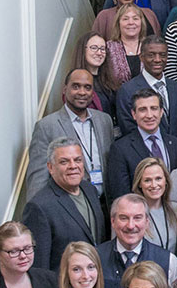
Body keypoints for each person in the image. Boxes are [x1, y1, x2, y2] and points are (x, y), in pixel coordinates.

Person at [25, 68, 115, 201]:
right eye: (76, 86)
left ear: (93, 93)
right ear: (65, 89)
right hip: (69, 205)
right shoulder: (46, 126)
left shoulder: (105, 121)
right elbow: (37, 181)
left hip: (104, 204)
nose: (82, 92)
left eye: (87, 87)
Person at [23, 139, 108, 273]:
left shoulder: (89, 189)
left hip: (94, 277)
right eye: (64, 162)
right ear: (50, 167)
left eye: (78, 160)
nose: (73, 166)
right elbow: (39, 267)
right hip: (63, 283)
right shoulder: (39, 207)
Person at [94, 194, 177, 288]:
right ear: (113, 221)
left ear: (147, 222)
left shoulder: (168, 262)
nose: (130, 225)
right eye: (124, 218)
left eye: (137, 218)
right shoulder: (94, 259)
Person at [106, 88, 177, 203]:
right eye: (143, 110)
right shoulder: (120, 149)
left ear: (161, 112)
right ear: (134, 114)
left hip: (174, 210)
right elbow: (121, 195)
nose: (149, 115)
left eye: (154, 108)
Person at [116, 35, 177, 140]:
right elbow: (129, 129)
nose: (157, 59)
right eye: (151, 55)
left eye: (162, 55)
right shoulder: (127, 90)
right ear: (141, 57)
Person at [132, 157, 177, 252]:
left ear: (166, 181)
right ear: (139, 184)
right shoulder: (131, 214)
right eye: (147, 180)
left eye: (158, 178)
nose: (154, 185)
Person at [73, 32, 122, 115]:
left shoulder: (110, 81)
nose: (99, 53)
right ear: (83, 50)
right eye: (94, 48)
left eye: (102, 49)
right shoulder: (75, 83)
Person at [105, 3, 148, 81]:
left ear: (141, 22)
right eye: (125, 19)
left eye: (135, 18)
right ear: (118, 23)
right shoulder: (108, 48)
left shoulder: (149, 46)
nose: (131, 22)